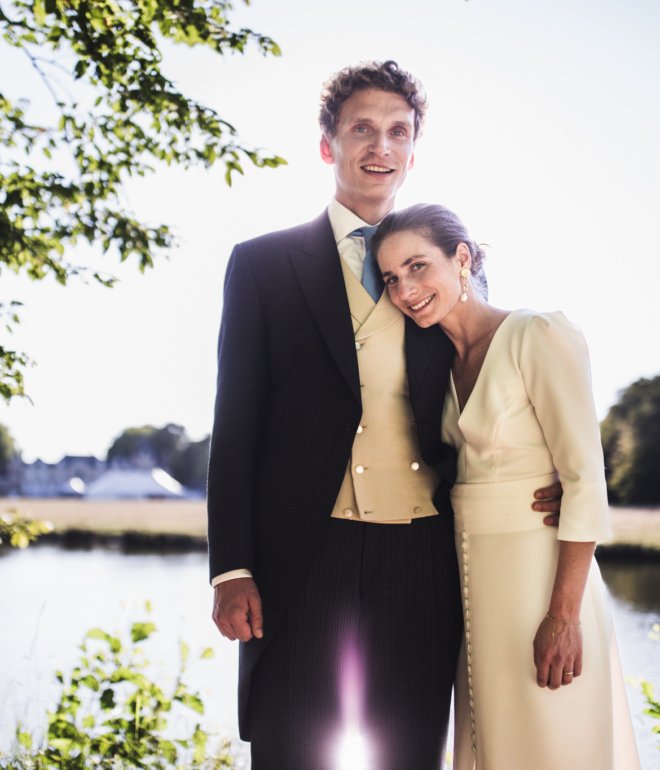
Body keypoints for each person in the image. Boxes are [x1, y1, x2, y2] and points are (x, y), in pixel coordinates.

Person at [207, 61, 561, 770]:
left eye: (398, 131)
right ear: (327, 146)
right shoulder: (263, 264)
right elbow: (236, 424)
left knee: (409, 752)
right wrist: (231, 567)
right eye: (361, 129)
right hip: (304, 556)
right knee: (290, 749)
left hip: (424, 553)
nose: (380, 146)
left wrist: (553, 470)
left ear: (412, 149)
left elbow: (497, 390)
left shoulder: (454, 270)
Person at [373, 203, 642, 770]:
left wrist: (562, 617)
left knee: (553, 741)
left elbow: (585, 477)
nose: (405, 289)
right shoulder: (439, 365)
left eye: (418, 267)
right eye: (393, 278)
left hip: (544, 582)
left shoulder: (536, 334)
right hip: (477, 591)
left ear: (462, 258)